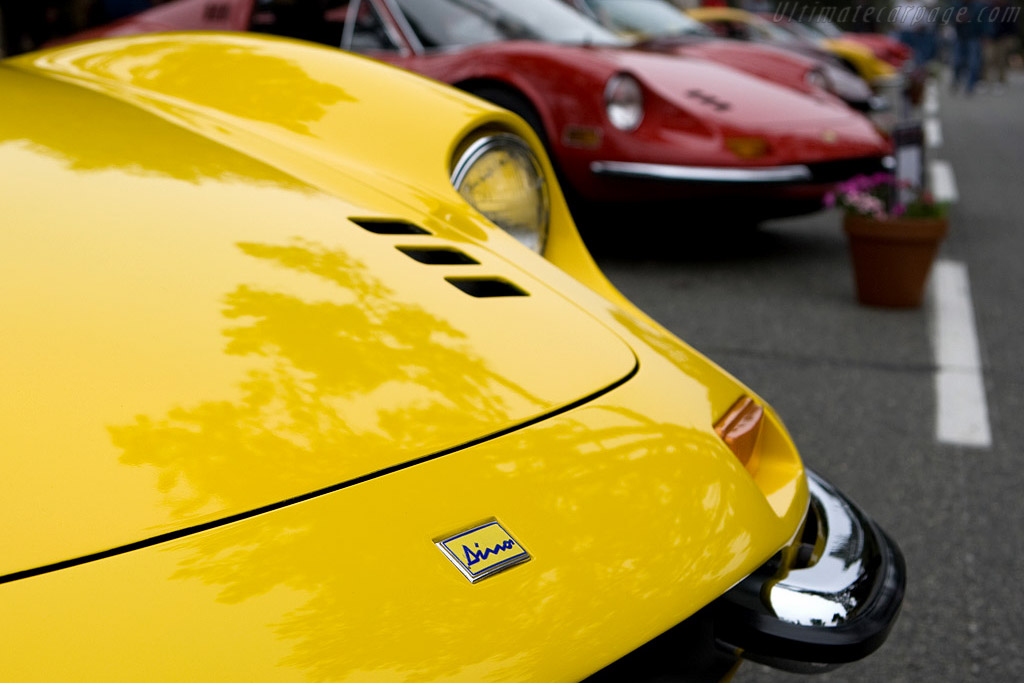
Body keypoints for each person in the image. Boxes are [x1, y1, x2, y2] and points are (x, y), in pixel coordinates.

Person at [952, 0, 986, 94]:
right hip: (960, 37)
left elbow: (985, 22)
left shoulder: (979, 6)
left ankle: (970, 86)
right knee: (957, 62)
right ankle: (956, 81)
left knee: (973, 63)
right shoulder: (957, 5)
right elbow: (949, 18)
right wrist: (957, 18)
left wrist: (985, 35)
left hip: (974, 38)